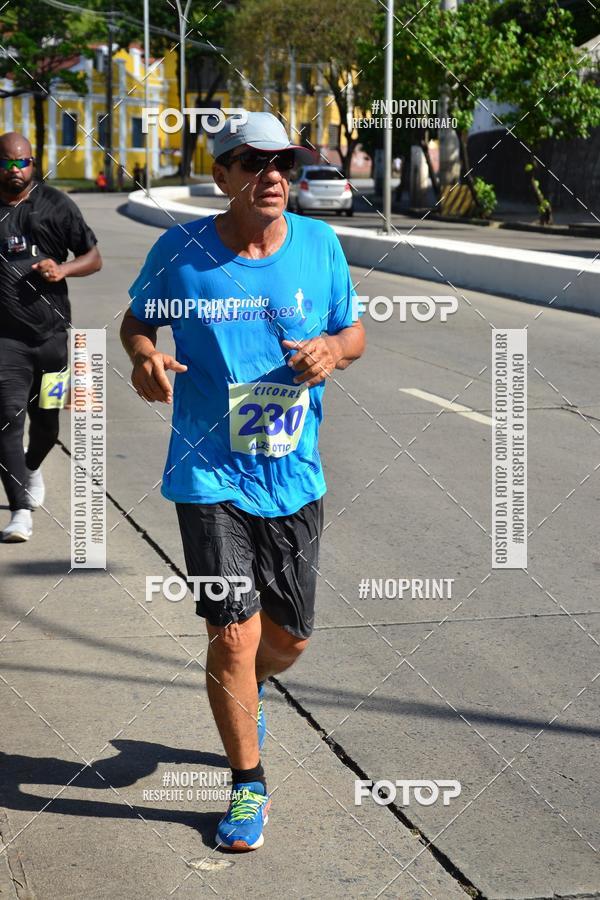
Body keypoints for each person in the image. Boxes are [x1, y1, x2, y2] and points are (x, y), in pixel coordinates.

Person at [120, 111, 365, 851]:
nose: (273, 177)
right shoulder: (181, 251)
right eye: (251, 163)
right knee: (232, 632)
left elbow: (353, 332)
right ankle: (248, 784)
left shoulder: (321, 246)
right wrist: (144, 358)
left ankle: (248, 691)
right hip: (208, 471)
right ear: (221, 174)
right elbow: (138, 321)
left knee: (288, 639)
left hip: (293, 473)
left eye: (284, 164)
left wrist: (332, 351)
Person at [0, 132, 102, 541]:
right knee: (7, 418)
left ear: (33, 162)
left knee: (47, 426)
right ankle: (20, 509)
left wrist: (62, 270)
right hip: (6, 340)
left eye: (23, 162)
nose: (16, 170)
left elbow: (93, 258)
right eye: (7, 163)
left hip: (53, 338)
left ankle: (32, 465)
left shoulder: (56, 206)